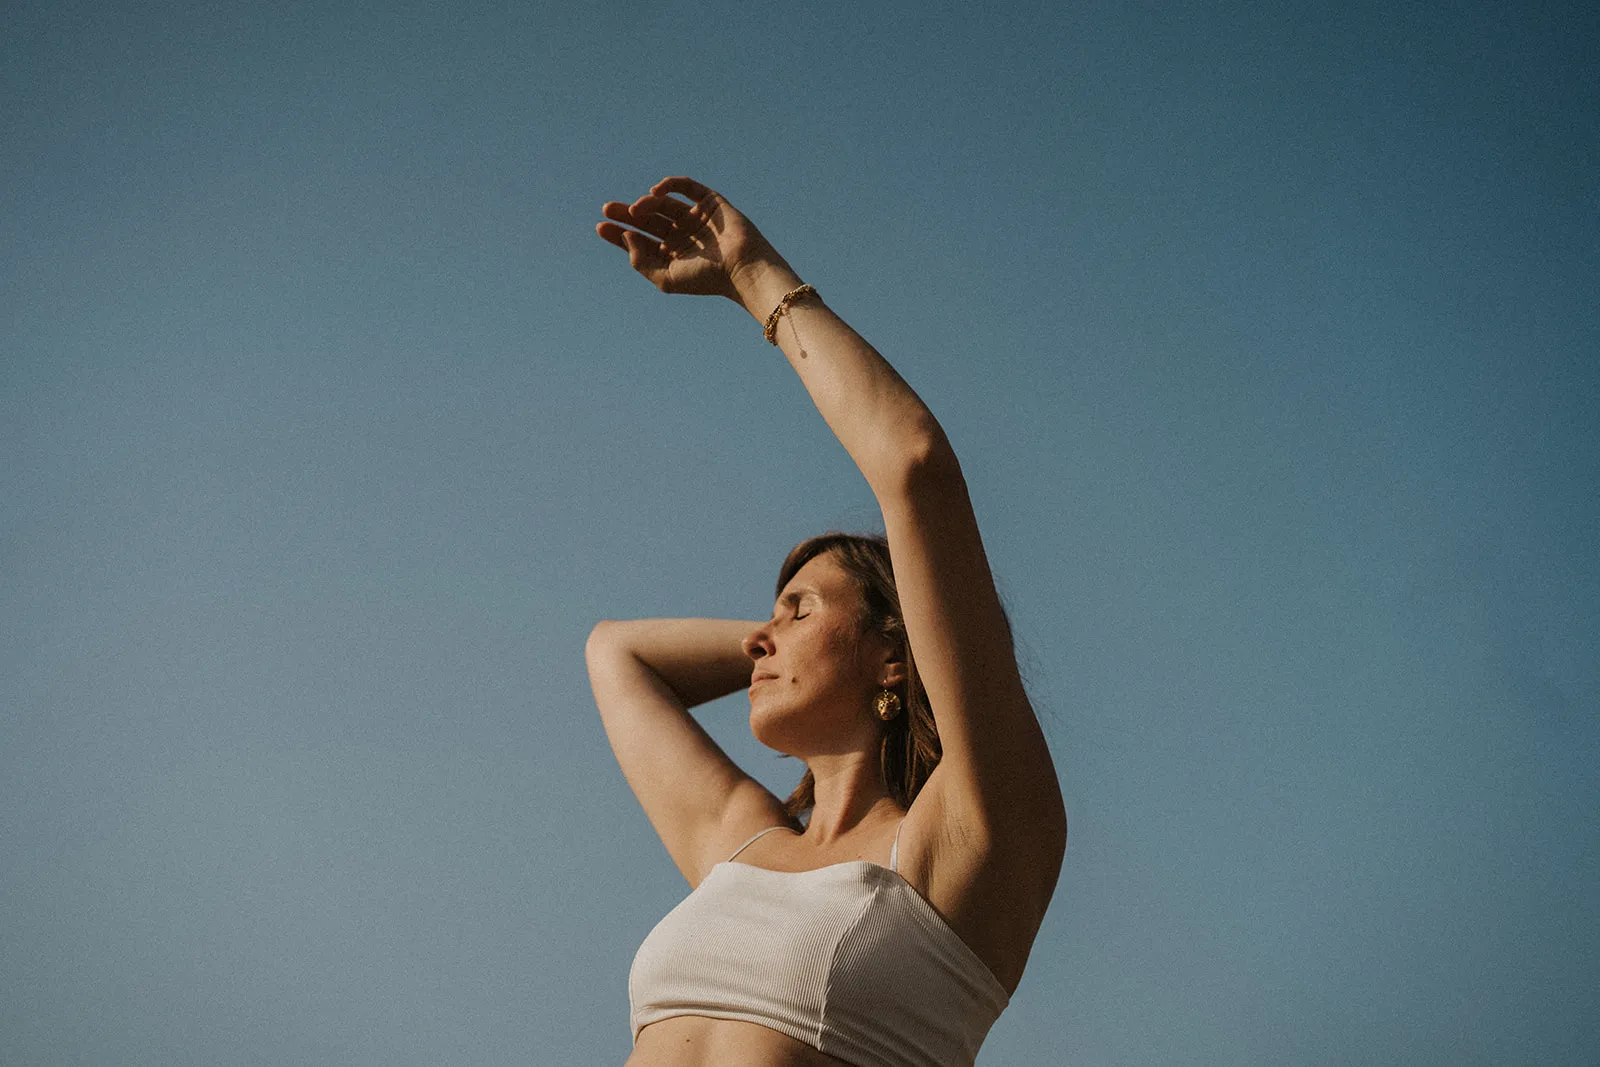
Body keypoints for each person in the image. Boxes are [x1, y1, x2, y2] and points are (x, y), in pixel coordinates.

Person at [586, 176, 1067, 1067]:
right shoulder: (739, 840)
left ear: (896, 652)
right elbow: (616, 651)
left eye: (798, 607)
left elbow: (915, 466)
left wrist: (752, 273)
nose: (761, 638)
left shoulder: (969, 839)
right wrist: (786, 636)